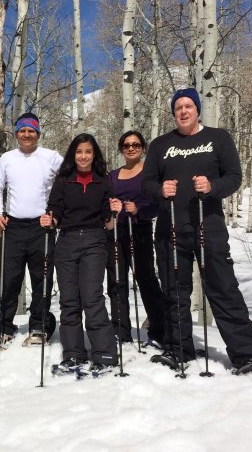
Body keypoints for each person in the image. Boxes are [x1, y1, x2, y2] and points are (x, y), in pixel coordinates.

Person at [141, 87, 252, 375]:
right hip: (170, 229)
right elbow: (146, 184)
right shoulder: (161, 144)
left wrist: (212, 187)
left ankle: (247, 354)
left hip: (207, 226)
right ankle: (178, 348)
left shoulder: (218, 138)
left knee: (223, 289)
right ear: (174, 112)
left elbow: (234, 177)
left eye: (188, 106)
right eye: (178, 107)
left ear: (197, 109)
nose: (183, 111)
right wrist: (160, 189)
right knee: (175, 292)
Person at [41, 133, 122, 376]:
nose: (84, 156)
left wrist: (115, 213)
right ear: (73, 155)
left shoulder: (103, 181)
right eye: (79, 152)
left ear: (94, 154)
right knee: (69, 300)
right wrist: (50, 219)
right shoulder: (63, 180)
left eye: (88, 151)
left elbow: (108, 223)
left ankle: (104, 353)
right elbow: (55, 211)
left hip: (95, 240)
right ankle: (73, 353)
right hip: (66, 241)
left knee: (92, 296)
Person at [0, 112, 63, 349]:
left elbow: (70, 178)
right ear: (16, 133)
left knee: (43, 279)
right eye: (22, 131)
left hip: (42, 226)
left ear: (38, 133)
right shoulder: (7, 158)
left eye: (31, 131)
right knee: (8, 280)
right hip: (13, 226)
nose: (27, 135)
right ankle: (1, 328)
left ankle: (39, 326)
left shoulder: (51, 157)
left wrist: (56, 213)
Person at [106, 130, 165, 349]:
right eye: (127, 145)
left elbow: (158, 204)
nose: (131, 148)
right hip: (114, 233)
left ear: (142, 148)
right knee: (117, 281)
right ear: (121, 148)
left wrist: (138, 209)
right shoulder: (112, 176)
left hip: (139, 231)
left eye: (136, 145)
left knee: (146, 278)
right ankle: (120, 331)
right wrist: (110, 213)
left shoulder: (149, 174)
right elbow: (105, 201)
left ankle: (159, 327)